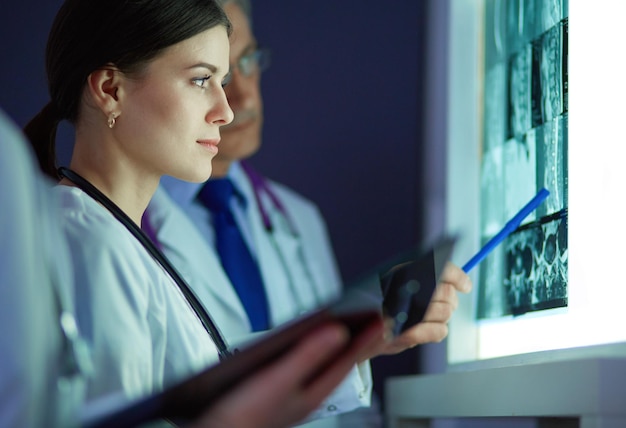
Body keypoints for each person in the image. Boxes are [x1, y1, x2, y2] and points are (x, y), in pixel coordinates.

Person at [20, 0, 386, 426]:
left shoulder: (113, 235)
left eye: (223, 80)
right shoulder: (91, 241)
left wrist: (352, 338)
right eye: (200, 80)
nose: (226, 111)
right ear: (110, 90)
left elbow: (195, 378)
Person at [144, 0, 473, 426]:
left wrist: (360, 338)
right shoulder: (120, 226)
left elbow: (345, 414)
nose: (240, 96)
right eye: (213, 76)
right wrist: (346, 340)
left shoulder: (298, 219)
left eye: (249, 61)